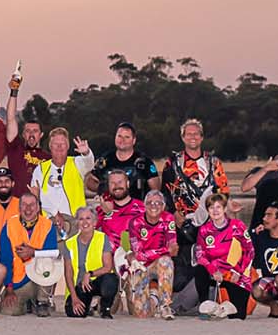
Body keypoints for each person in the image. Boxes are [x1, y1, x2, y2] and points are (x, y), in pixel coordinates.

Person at [162, 118, 233, 311]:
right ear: (182, 137)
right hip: (181, 225)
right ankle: (183, 301)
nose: (192, 137)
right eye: (188, 133)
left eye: (196, 133)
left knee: (208, 262)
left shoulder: (213, 162)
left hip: (210, 224)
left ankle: (206, 301)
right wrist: (173, 213)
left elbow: (223, 192)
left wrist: (217, 214)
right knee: (182, 269)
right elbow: (165, 192)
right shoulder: (173, 162)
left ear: (201, 137)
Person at [0, 192, 59, 317]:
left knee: (47, 261)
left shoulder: (48, 226)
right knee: (9, 311)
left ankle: (43, 301)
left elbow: (53, 254)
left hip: (41, 277)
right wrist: (9, 288)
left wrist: (33, 252)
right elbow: (5, 260)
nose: (28, 209)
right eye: (24, 205)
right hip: (20, 280)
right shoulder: (9, 226)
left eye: (32, 205)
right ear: (19, 208)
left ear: (37, 208)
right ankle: (28, 302)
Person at [195, 193, 254, 320]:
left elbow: (249, 251)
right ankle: (205, 305)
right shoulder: (204, 230)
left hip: (235, 272)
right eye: (211, 208)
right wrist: (213, 270)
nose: (215, 211)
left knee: (238, 316)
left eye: (218, 207)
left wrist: (238, 271)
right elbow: (200, 255)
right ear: (208, 210)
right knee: (199, 269)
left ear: (225, 209)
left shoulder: (237, 226)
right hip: (215, 273)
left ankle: (223, 307)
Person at [124, 191, 179, 320]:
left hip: (159, 264)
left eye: (158, 203)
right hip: (141, 266)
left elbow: (173, 250)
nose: (154, 206)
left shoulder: (168, 218)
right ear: (144, 205)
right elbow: (139, 255)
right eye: (150, 203)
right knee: (141, 314)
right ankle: (154, 297)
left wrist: (163, 252)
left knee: (166, 261)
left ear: (164, 206)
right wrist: (164, 250)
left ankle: (165, 305)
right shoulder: (135, 222)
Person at [27, 127, 93, 231]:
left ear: (67, 146)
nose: (59, 146)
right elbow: (36, 197)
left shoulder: (77, 163)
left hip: (77, 223)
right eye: (55, 143)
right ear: (50, 146)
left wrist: (86, 153)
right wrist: (54, 213)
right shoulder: (40, 169)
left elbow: (89, 164)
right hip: (50, 224)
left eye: (62, 143)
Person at [61, 207, 118, 319]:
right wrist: (74, 298)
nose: (85, 222)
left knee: (111, 280)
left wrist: (90, 274)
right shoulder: (68, 244)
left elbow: (108, 267)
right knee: (73, 313)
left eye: (88, 218)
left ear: (95, 222)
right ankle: (90, 305)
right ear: (77, 222)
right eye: (81, 219)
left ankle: (104, 308)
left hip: (97, 281)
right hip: (80, 286)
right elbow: (68, 274)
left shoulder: (102, 238)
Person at [2, 74, 49, 199]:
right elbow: (11, 118)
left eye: (35, 131)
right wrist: (14, 92)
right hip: (17, 205)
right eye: (28, 131)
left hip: (41, 207)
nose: (31, 134)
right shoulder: (15, 150)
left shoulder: (49, 158)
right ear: (23, 134)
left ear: (41, 135)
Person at [89, 123, 158, 200]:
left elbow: (156, 190)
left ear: (134, 140)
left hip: (137, 209)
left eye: (127, 137)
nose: (122, 140)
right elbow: (90, 183)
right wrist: (103, 188)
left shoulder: (144, 162)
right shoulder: (105, 160)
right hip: (110, 208)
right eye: (119, 136)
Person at [96, 170, 144, 246]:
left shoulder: (142, 208)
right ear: (108, 186)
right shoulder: (102, 209)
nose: (116, 186)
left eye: (120, 182)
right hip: (107, 255)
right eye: (112, 183)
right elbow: (87, 230)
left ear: (127, 184)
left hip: (133, 254)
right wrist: (106, 212)